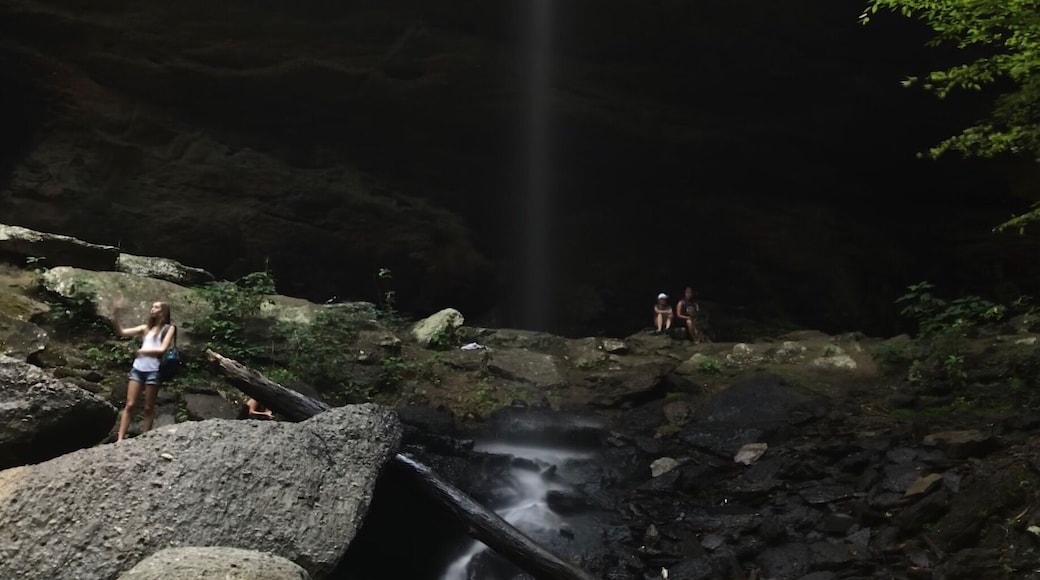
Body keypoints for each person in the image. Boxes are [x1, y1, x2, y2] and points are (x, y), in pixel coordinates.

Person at [111, 300, 177, 442]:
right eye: (152, 306)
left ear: (163, 311)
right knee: (130, 404)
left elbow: (162, 349)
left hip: (153, 370)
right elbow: (121, 332)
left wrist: (143, 351)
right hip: (138, 369)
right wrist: (116, 313)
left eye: (156, 307)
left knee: (148, 407)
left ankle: (144, 439)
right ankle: (120, 439)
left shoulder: (168, 328)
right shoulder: (145, 328)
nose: (152, 309)